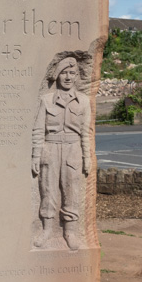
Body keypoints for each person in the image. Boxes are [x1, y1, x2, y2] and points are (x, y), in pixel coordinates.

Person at [31, 54, 91, 250]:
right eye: (64, 73)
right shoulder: (46, 100)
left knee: (72, 191)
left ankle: (70, 232)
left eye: (72, 73)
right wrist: (36, 155)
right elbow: (38, 129)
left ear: (76, 76)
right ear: (57, 76)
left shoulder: (83, 101)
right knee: (47, 190)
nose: (68, 77)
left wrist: (87, 156)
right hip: (51, 148)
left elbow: (86, 132)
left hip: (73, 150)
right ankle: (47, 230)